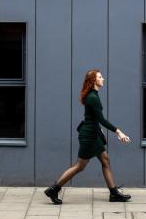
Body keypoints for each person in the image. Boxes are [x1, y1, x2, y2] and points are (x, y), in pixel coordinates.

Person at [44, 69, 132, 205]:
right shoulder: (93, 97)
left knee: (105, 160)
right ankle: (54, 189)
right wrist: (118, 131)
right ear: (94, 81)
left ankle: (114, 193)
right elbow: (101, 120)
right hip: (89, 136)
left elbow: (96, 120)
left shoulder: (94, 95)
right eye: (100, 77)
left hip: (93, 134)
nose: (103, 79)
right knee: (80, 166)